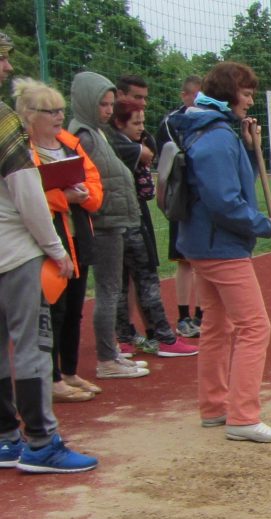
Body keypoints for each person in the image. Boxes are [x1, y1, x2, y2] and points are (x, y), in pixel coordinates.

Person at [168, 61, 271, 444]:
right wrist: (265, 226)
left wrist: (252, 151)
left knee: (217, 326)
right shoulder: (217, 136)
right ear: (227, 95)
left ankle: (215, 407)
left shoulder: (211, 131)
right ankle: (243, 416)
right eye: (247, 94)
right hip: (221, 247)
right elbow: (224, 201)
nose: (250, 102)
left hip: (206, 245)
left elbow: (235, 183)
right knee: (255, 327)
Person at [0, 31, 98, 473]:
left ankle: (6, 437)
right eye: (2, 58)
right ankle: (41, 443)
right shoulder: (4, 122)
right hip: (15, 253)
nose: (6, 68)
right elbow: (27, 194)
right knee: (32, 348)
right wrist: (56, 249)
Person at [13, 77, 104, 402]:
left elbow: (93, 181)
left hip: (78, 235)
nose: (57, 117)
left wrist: (84, 196)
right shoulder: (22, 149)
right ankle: (50, 379)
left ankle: (69, 371)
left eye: (60, 110)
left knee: (75, 307)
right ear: (28, 113)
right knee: (54, 308)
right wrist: (64, 197)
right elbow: (26, 195)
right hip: (44, 239)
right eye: (49, 111)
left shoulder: (69, 143)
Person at [68, 70, 149, 379]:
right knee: (108, 289)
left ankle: (111, 352)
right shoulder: (85, 135)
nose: (108, 110)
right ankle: (106, 359)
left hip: (113, 220)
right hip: (102, 223)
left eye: (110, 103)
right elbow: (93, 180)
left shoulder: (97, 131)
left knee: (112, 289)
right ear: (88, 102)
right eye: (102, 104)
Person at [107, 98, 198, 358]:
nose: (141, 128)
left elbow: (151, 152)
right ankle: (163, 338)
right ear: (119, 123)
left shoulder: (130, 142)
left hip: (128, 215)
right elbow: (150, 154)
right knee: (144, 277)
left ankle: (125, 339)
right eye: (136, 123)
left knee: (125, 281)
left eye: (143, 122)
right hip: (126, 218)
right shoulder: (116, 144)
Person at [156, 75, 203, 339]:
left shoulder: (212, 121)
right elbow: (178, 155)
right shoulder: (171, 122)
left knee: (208, 261)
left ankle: (204, 315)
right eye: (194, 96)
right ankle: (184, 317)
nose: (198, 102)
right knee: (184, 261)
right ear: (184, 96)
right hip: (182, 199)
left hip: (205, 200)